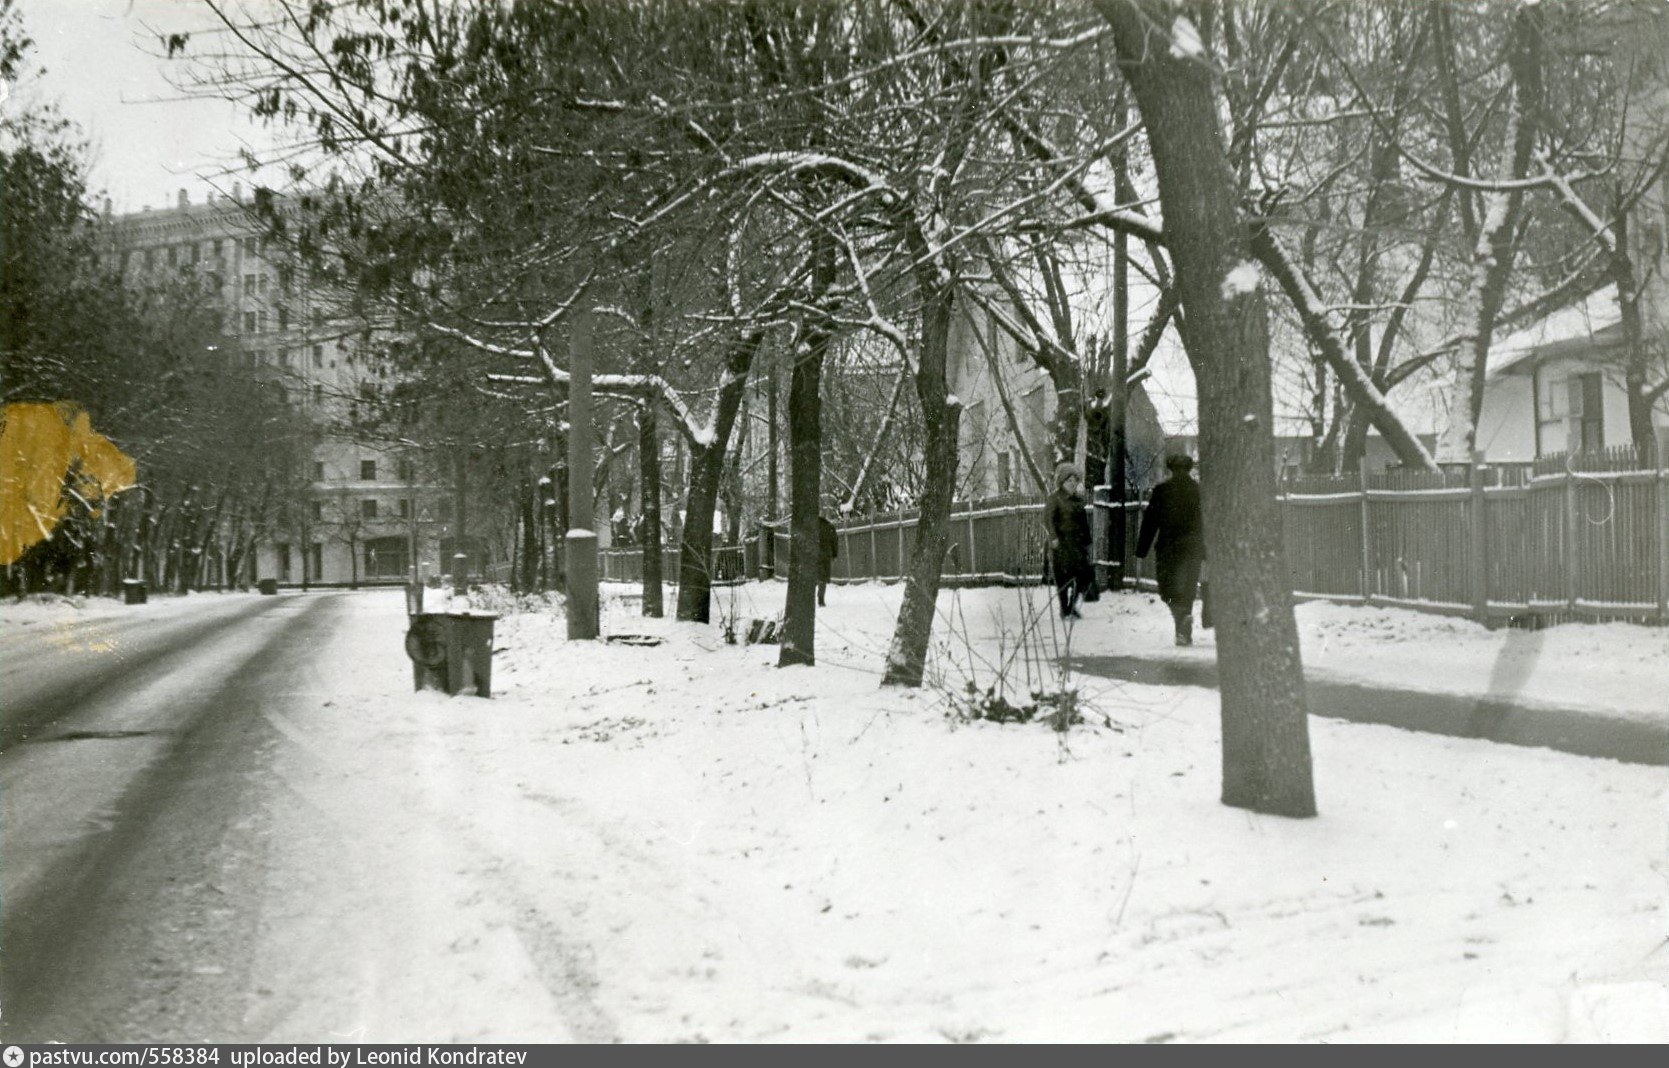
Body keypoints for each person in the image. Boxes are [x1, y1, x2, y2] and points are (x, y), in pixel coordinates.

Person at [1136, 453, 1206, 645]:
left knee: (1167, 589)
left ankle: (1181, 618)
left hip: (1168, 549)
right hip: (1193, 549)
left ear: (1171, 469)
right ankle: (1184, 633)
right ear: (1190, 468)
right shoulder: (1198, 491)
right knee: (1188, 590)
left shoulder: (1162, 491)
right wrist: (1206, 551)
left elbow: (1150, 522)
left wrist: (1141, 549)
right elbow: (1206, 522)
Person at [1045, 462, 1093, 619]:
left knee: (1083, 576)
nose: (1073, 484)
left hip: (1077, 544)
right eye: (1069, 481)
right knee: (1063, 578)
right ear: (1062, 482)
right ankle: (1064, 608)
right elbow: (1048, 519)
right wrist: (1053, 538)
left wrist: (1087, 542)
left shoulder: (1078, 501)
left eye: (1075, 481)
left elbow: (1084, 523)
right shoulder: (1054, 499)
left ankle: (1072, 606)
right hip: (1061, 544)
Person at [817, 509, 839, 607]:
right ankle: (821, 599)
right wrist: (834, 554)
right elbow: (834, 542)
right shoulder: (830, 527)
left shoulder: (811, 527)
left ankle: (808, 599)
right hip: (825, 555)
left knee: (812, 577)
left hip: (813, 555)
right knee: (823, 578)